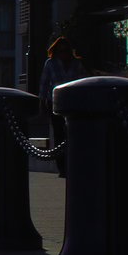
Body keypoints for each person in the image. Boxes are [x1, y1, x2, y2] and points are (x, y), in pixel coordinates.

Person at [38, 36, 88, 176]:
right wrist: (42, 102)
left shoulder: (76, 64)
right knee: (59, 136)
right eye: (61, 51)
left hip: (74, 104)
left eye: (66, 50)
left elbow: (83, 81)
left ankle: (73, 164)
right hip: (55, 104)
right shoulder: (50, 64)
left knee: (73, 135)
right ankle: (63, 168)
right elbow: (44, 83)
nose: (64, 53)